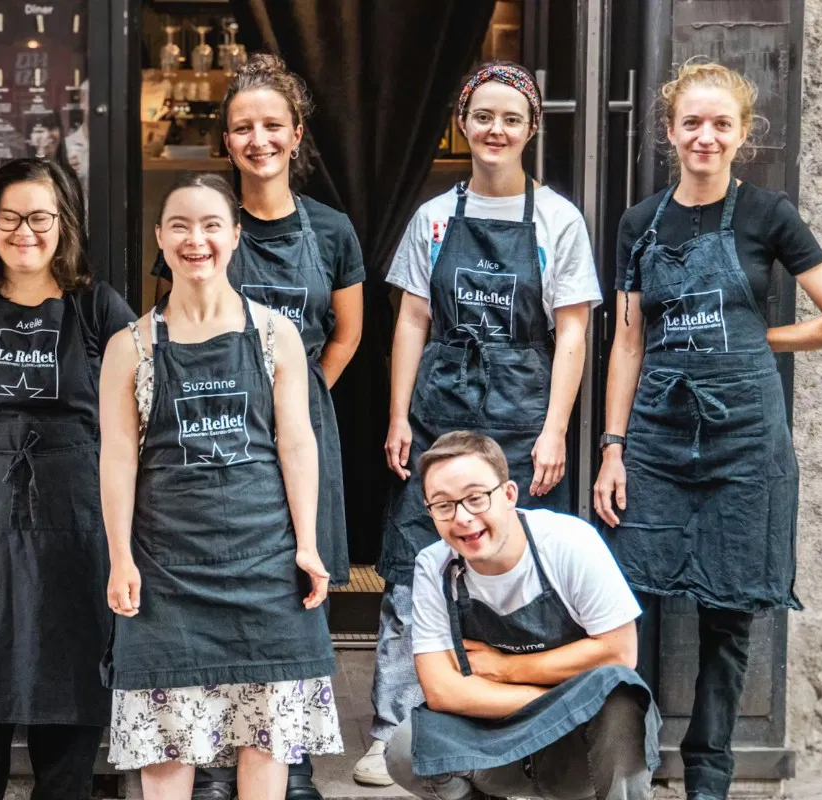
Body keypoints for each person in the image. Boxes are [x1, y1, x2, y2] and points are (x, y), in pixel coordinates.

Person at [595, 61, 822, 800]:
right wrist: (613, 447)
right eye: (692, 123)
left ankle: (708, 773)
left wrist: (757, 341)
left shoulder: (768, 214)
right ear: (670, 132)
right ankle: (629, 763)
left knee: (730, 614)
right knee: (631, 605)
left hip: (746, 445)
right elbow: (626, 343)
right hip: (655, 440)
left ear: (742, 135)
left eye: (721, 124)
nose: (705, 136)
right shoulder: (640, 223)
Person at [361, 61, 601, 787]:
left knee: (520, 571)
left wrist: (556, 428)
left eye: (511, 118)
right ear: (462, 124)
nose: (495, 130)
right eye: (483, 116)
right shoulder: (435, 217)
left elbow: (573, 333)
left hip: (521, 422)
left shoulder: (557, 218)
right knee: (413, 569)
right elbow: (410, 318)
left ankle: (523, 727)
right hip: (439, 418)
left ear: (531, 129)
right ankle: (394, 728)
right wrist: (399, 413)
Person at [152, 56, 365, 798]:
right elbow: (169, 326)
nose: (258, 138)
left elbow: (345, 335)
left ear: (296, 133)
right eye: (243, 127)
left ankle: (291, 759)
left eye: (273, 125)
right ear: (228, 139)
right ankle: (214, 761)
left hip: (302, 428)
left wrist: (292, 403)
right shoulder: (203, 225)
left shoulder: (332, 230)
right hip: (211, 433)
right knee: (215, 585)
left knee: (299, 585)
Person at [101, 172, 342, 800]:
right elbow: (119, 458)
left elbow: (296, 444)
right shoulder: (129, 348)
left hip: (264, 566)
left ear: (235, 236)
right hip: (167, 573)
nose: (195, 240)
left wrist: (308, 545)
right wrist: (120, 557)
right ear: (160, 237)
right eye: (179, 225)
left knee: (266, 741)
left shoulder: (275, 336)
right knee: (167, 743)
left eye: (211, 225)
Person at [0, 157, 134, 799]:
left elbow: (132, 420)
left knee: (69, 684)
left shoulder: (100, 308)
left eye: (39, 217)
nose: (24, 231)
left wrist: (62, 461)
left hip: (80, 512)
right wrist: (12, 457)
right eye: (9, 217)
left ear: (63, 223)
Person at [386, 431, 660, 800]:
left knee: (620, 698)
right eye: (443, 505)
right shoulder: (434, 566)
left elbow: (618, 654)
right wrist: (563, 698)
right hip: (498, 735)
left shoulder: (569, 543)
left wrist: (504, 668)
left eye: (475, 498)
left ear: (510, 494)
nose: (463, 517)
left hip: (580, 743)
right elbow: (442, 690)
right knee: (408, 748)